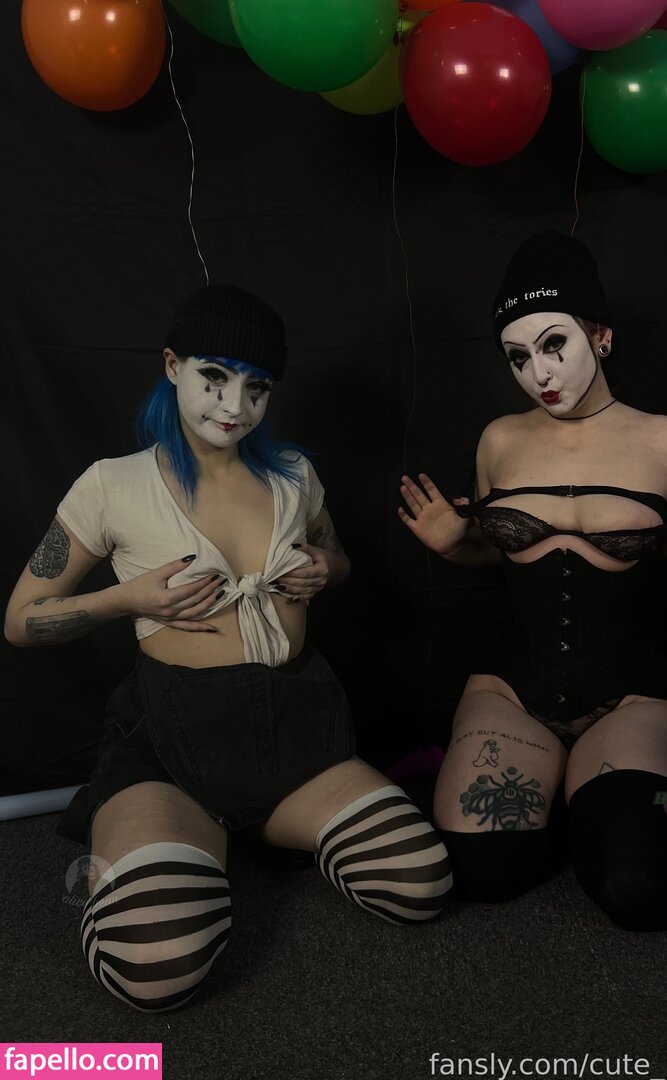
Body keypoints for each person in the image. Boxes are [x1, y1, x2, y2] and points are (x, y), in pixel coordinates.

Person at [5, 284, 451, 1011]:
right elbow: (21, 621)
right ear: (172, 365)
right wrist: (127, 599)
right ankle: (180, 839)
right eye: (214, 376)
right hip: (171, 740)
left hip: (293, 725)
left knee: (421, 880)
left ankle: (248, 833)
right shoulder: (112, 485)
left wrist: (326, 569)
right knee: (153, 962)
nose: (234, 406)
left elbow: (339, 558)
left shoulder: (293, 475)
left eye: (257, 387)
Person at [397, 232, 667, 931]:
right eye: (518, 356)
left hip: (627, 694)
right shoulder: (499, 441)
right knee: (480, 873)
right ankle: (580, 797)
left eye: (553, 345)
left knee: (648, 886)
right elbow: (497, 556)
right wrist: (456, 546)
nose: (537, 373)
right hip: (513, 691)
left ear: (600, 337)